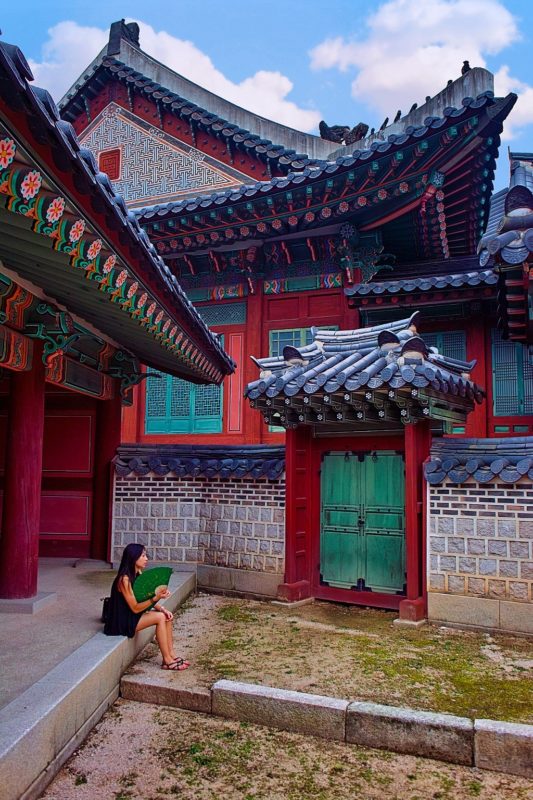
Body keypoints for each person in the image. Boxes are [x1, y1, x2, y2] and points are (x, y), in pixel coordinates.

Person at [104, 543, 189, 670]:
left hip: (132, 615)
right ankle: (166, 660)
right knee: (160, 618)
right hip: (121, 621)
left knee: (166, 616)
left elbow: (142, 600)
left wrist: (162, 608)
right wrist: (155, 598)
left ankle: (171, 655)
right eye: (143, 555)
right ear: (133, 558)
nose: (146, 559)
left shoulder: (137, 574)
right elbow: (135, 608)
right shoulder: (124, 580)